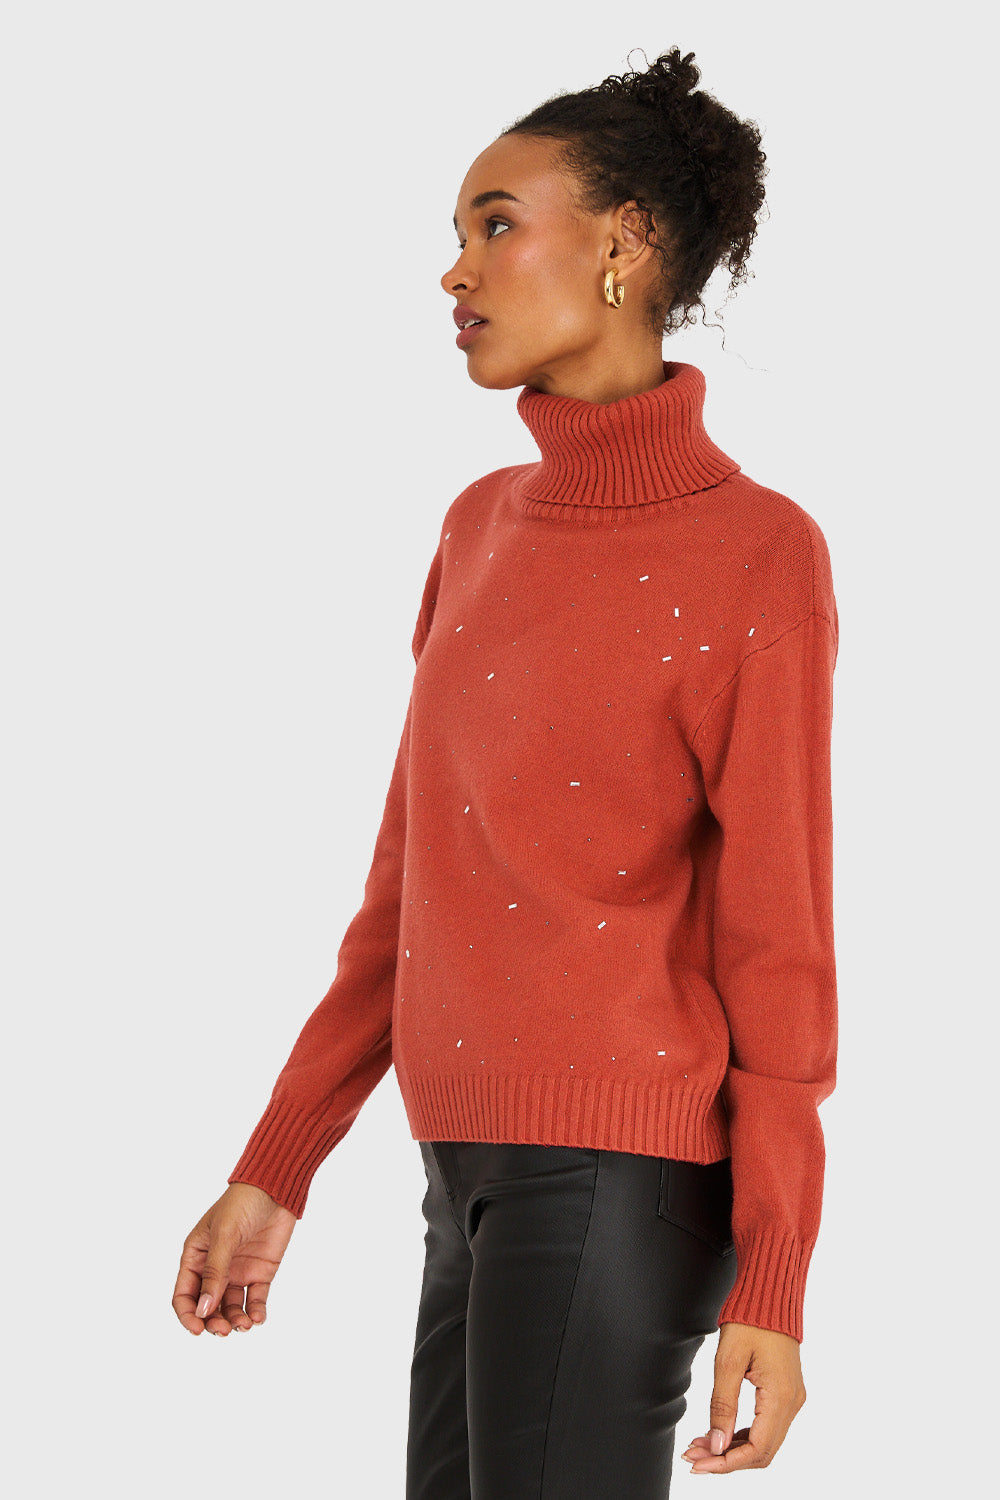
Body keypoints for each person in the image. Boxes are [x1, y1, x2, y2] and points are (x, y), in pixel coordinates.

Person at [172, 46, 838, 1497]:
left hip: (619, 1184)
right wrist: (279, 1162)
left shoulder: (758, 554)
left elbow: (779, 940)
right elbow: (410, 889)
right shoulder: (479, 527)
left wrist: (776, 1276)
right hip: (463, 1171)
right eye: (459, 232)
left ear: (624, 244)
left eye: (495, 223)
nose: (455, 271)